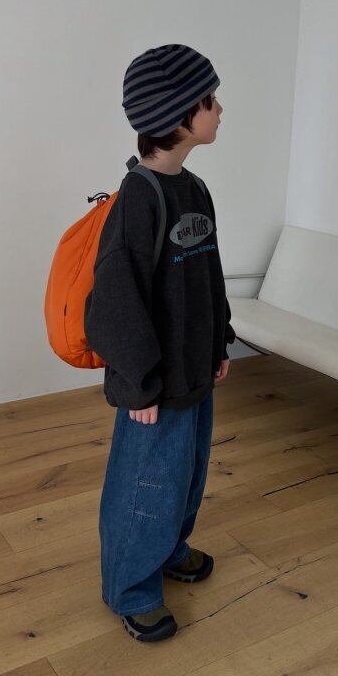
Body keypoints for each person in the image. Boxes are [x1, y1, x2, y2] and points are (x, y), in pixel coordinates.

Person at [84, 43, 236, 642]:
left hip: (193, 369)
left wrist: (220, 341)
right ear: (180, 116)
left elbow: (208, 275)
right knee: (145, 484)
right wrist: (138, 381)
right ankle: (130, 586)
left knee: (188, 471)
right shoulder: (137, 200)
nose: (219, 110)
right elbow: (113, 304)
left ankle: (169, 547)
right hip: (152, 384)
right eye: (210, 100)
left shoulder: (193, 189)